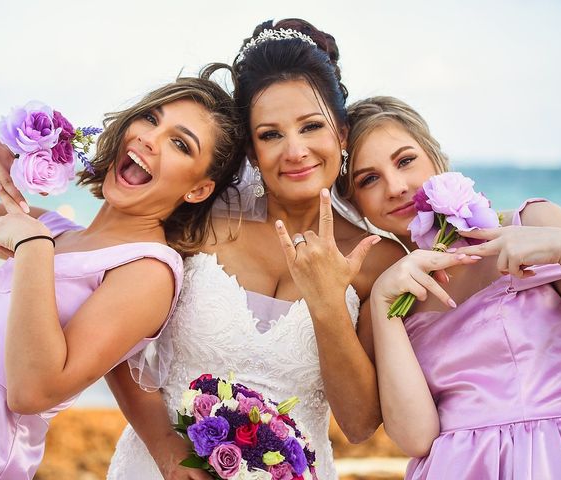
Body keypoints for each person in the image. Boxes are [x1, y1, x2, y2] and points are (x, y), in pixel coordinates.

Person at [106, 19, 405, 480]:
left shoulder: (379, 259)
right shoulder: (199, 225)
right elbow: (113, 343)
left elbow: (361, 423)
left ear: (342, 134)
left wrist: (328, 303)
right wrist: (166, 451)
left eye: (311, 127)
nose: (295, 150)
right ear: (249, 148)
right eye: (271, 134)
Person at [0, 76, 244, 478]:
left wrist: (33, 249)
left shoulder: (147, 269)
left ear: (198, 189)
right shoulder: (54, 230)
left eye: (180, 143)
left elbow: (33, 392)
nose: (150, 139)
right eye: (150, 118)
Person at [342, 95, 561, 479]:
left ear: (435, 157)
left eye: (405, 160)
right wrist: (382, 304)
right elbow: (415, 439)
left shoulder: (532, 220)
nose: (395, 187)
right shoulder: (388, 301)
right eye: (369, 179)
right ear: (355, 204)